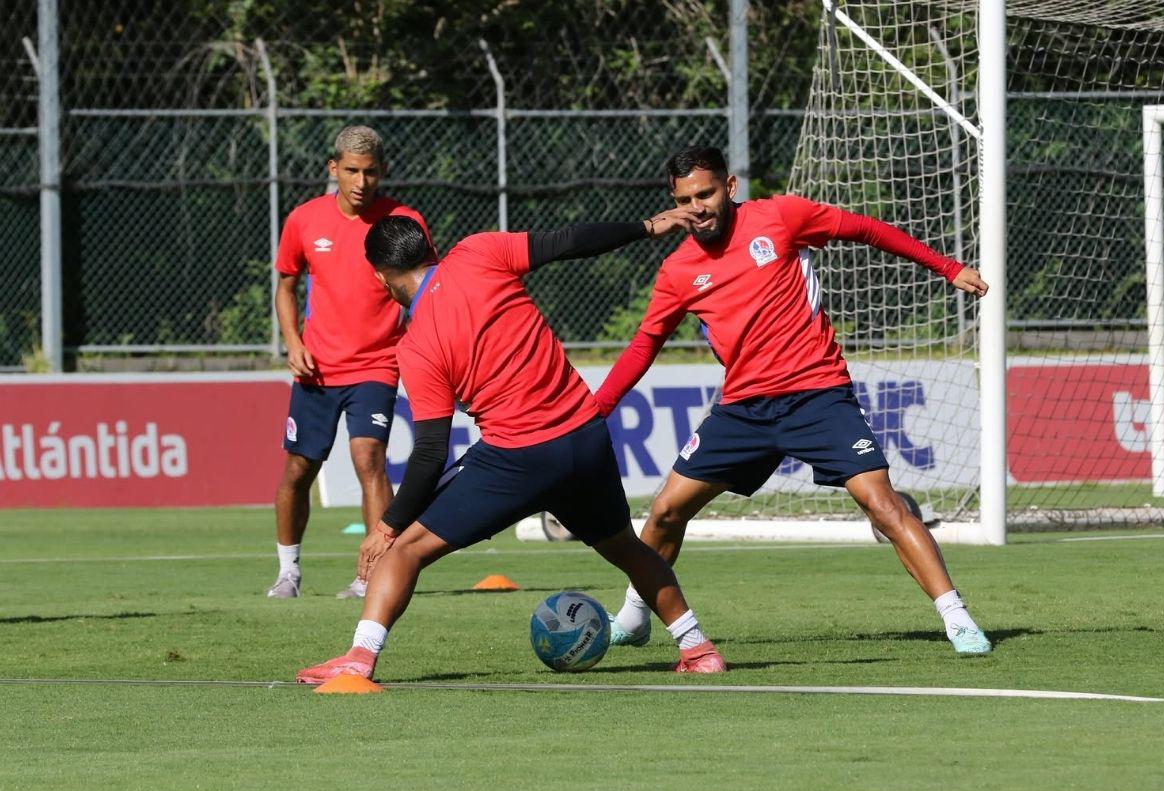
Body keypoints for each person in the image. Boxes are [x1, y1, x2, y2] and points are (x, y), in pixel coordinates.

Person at [296, 208, 727, 684]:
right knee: (626, 546)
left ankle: (360, 658)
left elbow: (430, 453)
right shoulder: (480, 251)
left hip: (516, 458)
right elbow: (569, 240)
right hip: (585, 438)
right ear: (431, 248)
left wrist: (387, 526)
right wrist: (645, 227)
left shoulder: (416, 345)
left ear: (381, 278)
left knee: (404, 550)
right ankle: (698, 649)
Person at [596, 146, 993, 656]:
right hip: (743, 411)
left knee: (884, 506)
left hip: (818, 396)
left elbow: (867, 229)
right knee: (666, 512)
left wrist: (945, 267)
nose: (699, 207)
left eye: (707, 193)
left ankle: (958, 621)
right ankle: (633, 617)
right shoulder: (678, 271)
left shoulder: (782, 217)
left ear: (730, 187)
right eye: (687, 199)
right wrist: (598, 408)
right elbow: (644, 345)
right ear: (674, 203)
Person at [267, 125, 436, 601]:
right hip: (317, 368)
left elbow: (429, 284)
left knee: (369, 460)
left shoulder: (403, 220)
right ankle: (288, 572)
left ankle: (370, 576)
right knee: (300, 470)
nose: (362, 182)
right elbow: (285, 286)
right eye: (352, 171)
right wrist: (291, 341)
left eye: (371, 172)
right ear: (333, 168)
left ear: (383, 172)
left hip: (378, 364)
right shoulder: (304, 220)